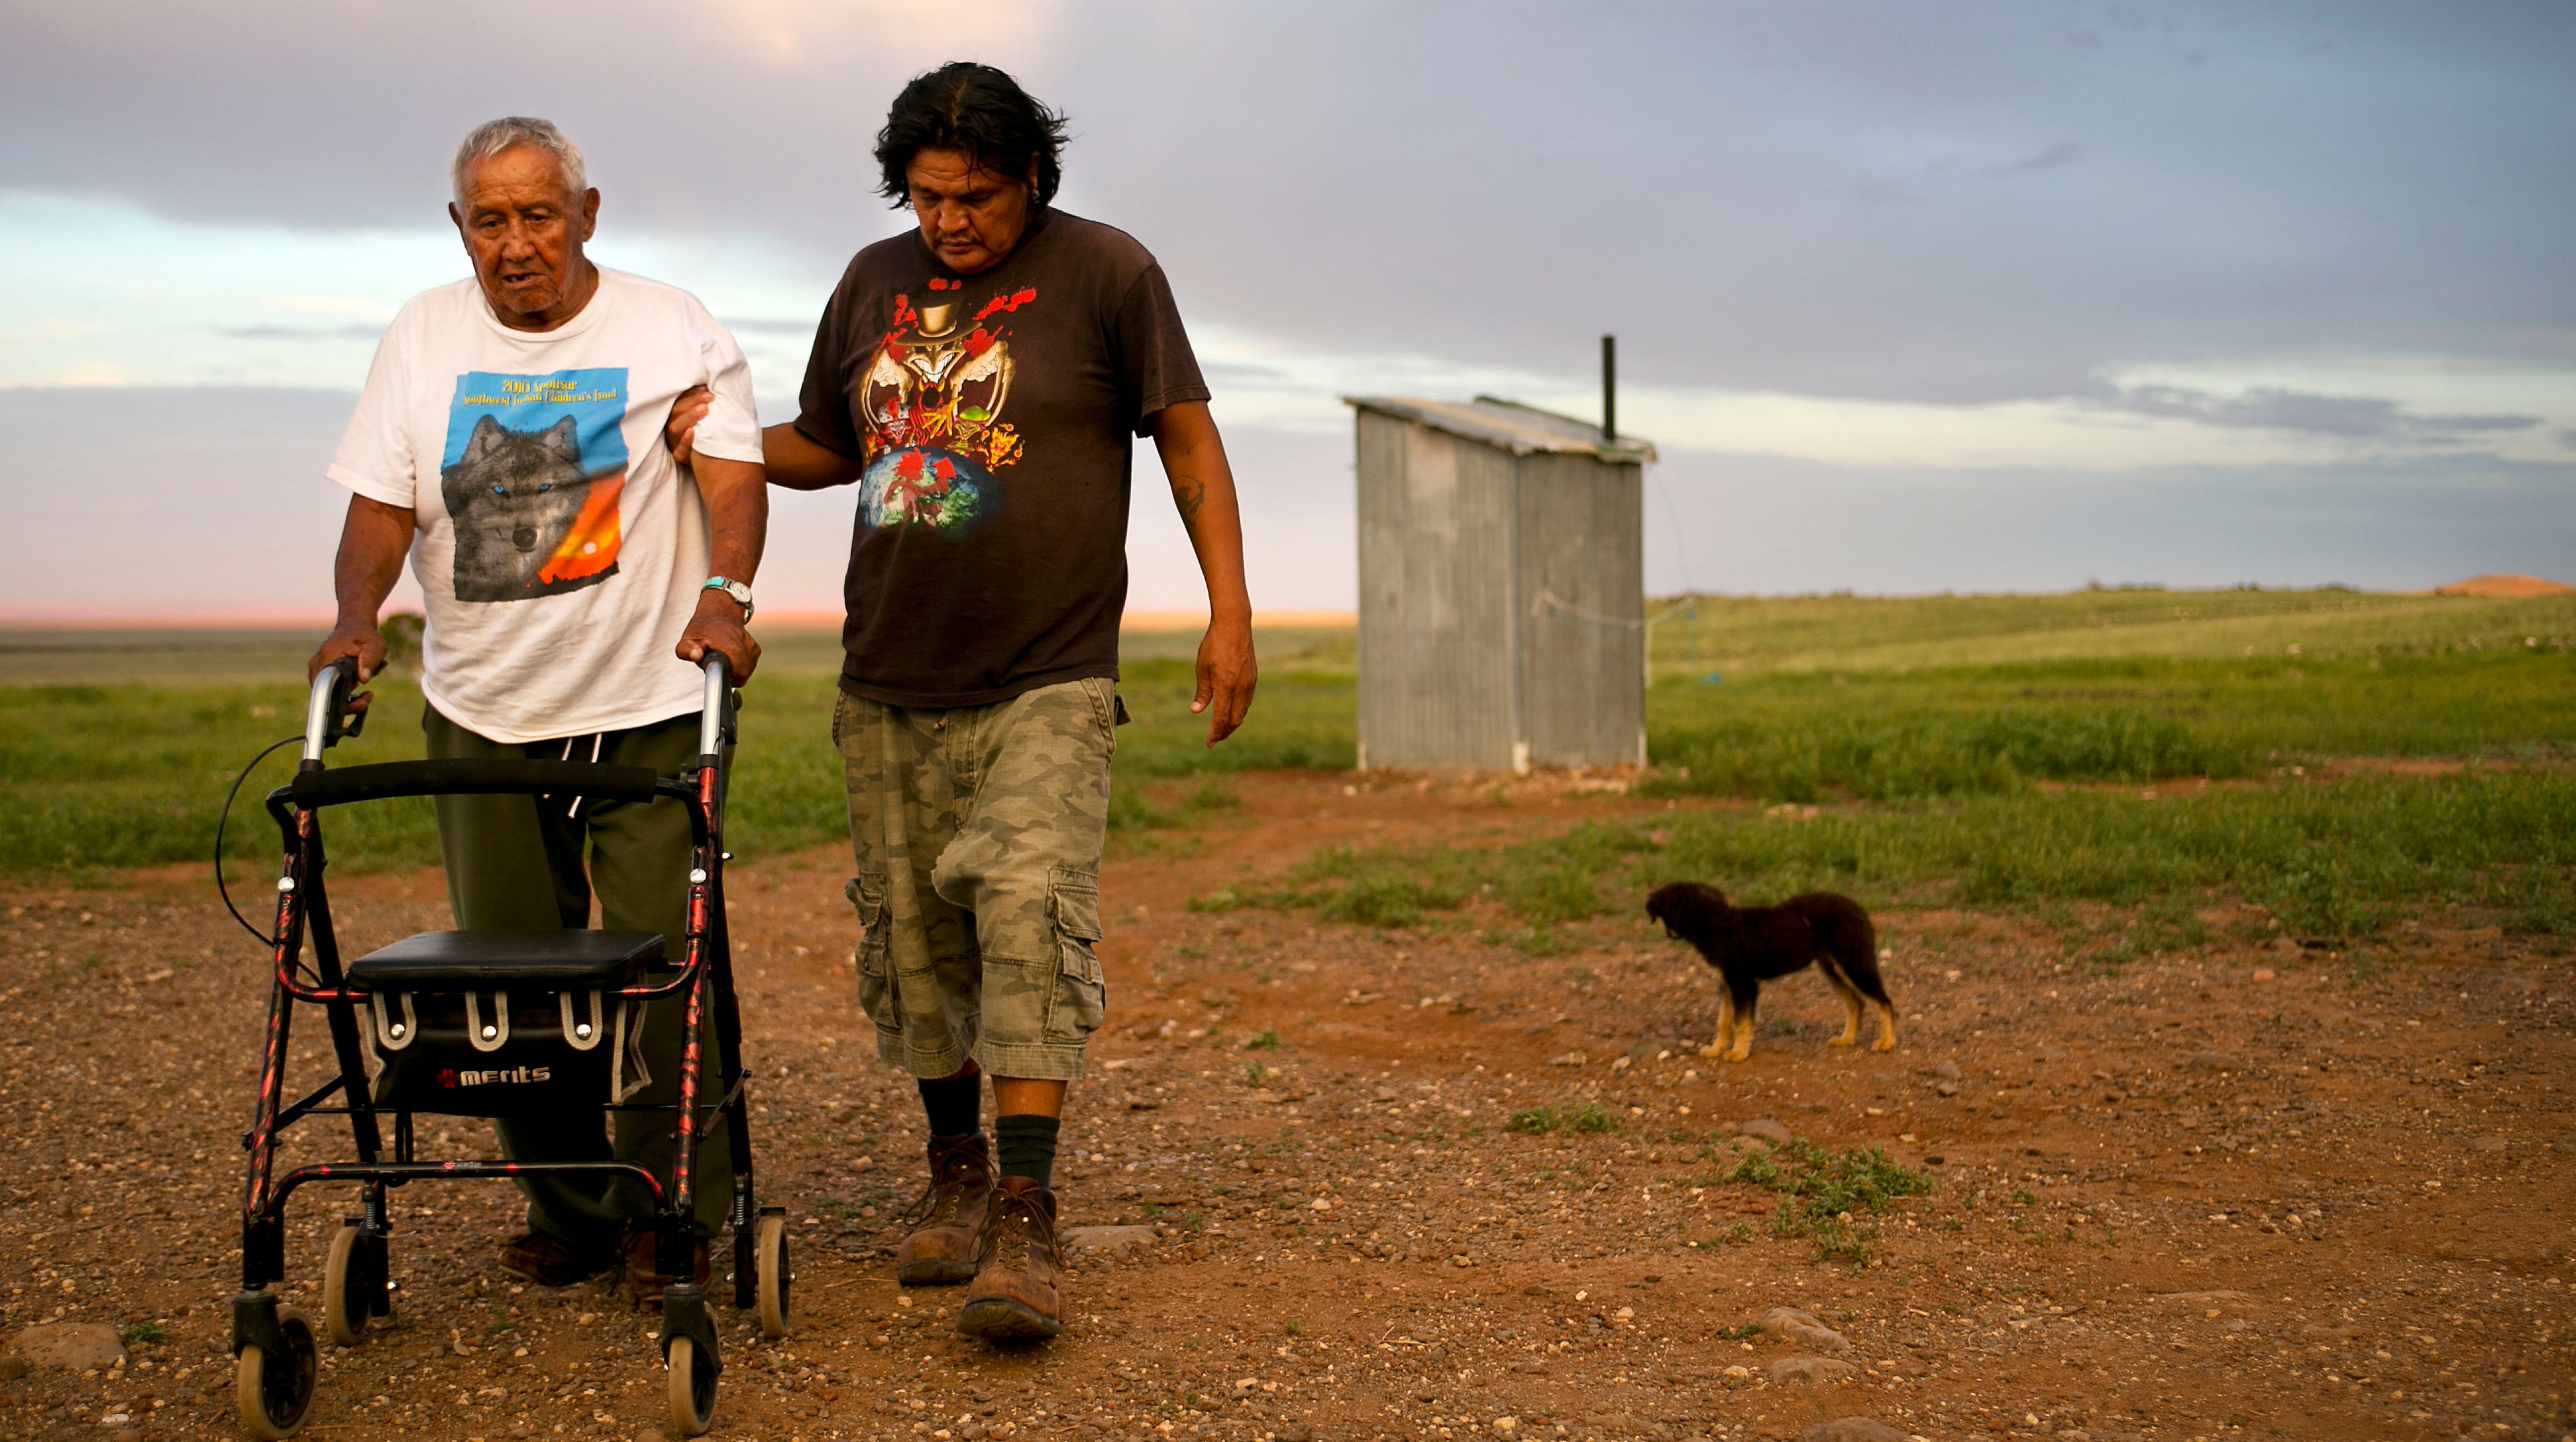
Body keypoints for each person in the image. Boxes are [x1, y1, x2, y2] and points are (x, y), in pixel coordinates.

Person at [671, 60, 1256, 1340]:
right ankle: (954, 1174)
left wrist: (1231, 614)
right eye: (930, 199)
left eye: (977, 198)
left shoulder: (1108, 273)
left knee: (1032, 912)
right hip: (889, 666)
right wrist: (715, 437)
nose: (952, 223)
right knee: (911, 934)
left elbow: (1187, 436)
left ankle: (1030, 1217)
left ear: (1033, 177)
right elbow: (833, 445)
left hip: (1047, 667)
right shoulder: (871, 283)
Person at [308, 115, 769, 1300]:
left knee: (666, 961)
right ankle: (572, 1209)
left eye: (540, 214)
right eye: (491, 219)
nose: (517, 243)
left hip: (648, 701)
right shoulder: (421, 333)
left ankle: (684, 1207)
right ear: (460, 227)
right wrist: (357, 617)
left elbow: (734, 473)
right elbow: (380, 502)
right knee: (509, 979)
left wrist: (725, 595)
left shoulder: (670, 323)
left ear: (588, 214)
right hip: (481, 707)